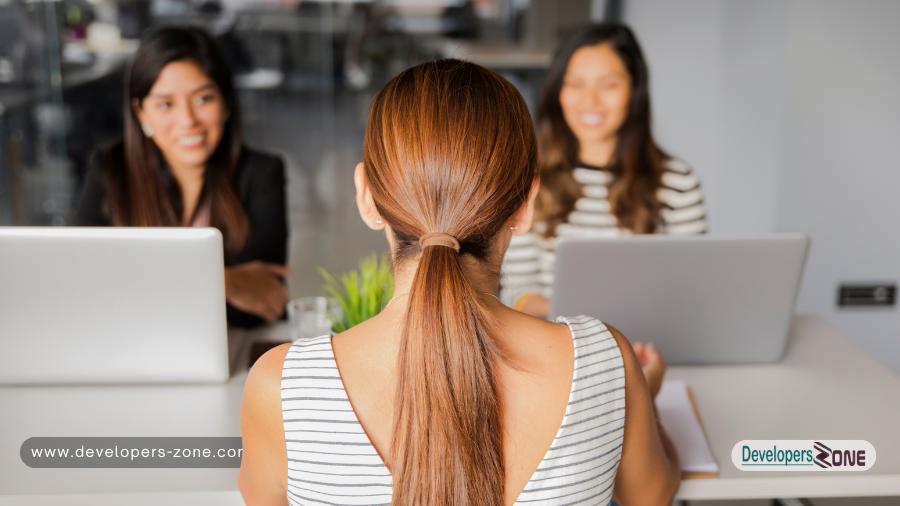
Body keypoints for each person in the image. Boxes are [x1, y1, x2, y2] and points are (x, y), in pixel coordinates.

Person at [239, 59, 679, 506]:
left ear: (366, 197)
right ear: (527, 205)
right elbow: (653, 495)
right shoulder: (606, 363)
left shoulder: (282, 388)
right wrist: (643, 402)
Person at [73, 25, 288, 328]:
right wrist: (225, 281)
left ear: (225, 102)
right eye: (165, 104)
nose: (187, 121)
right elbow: (83, 284)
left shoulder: (262, 173)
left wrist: (135, 279)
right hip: (128, 345)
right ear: (141, 113)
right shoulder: (110, 170)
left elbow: (265, 300)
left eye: (203, 99)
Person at [502, 23, 708, 319]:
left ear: (634, 92)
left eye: (608, 85)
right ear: (558, 91)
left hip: (646, 345)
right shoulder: (526, 178)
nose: (590, 101)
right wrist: (584, 321)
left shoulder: (677, 182)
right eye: (575, 84)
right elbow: (517, 290)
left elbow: (692, 289)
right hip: (556, 345)